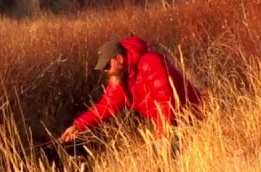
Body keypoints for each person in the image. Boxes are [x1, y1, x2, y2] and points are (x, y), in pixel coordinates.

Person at [59, 36, 204, 143]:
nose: (106, 71)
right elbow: (106, 106)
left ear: (120, 59)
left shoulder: (151, 63)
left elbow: (165, 102)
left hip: (194, 119)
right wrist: (78, 126)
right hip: (172, 126)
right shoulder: (120, 78)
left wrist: (162, 138)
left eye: (107, 66)